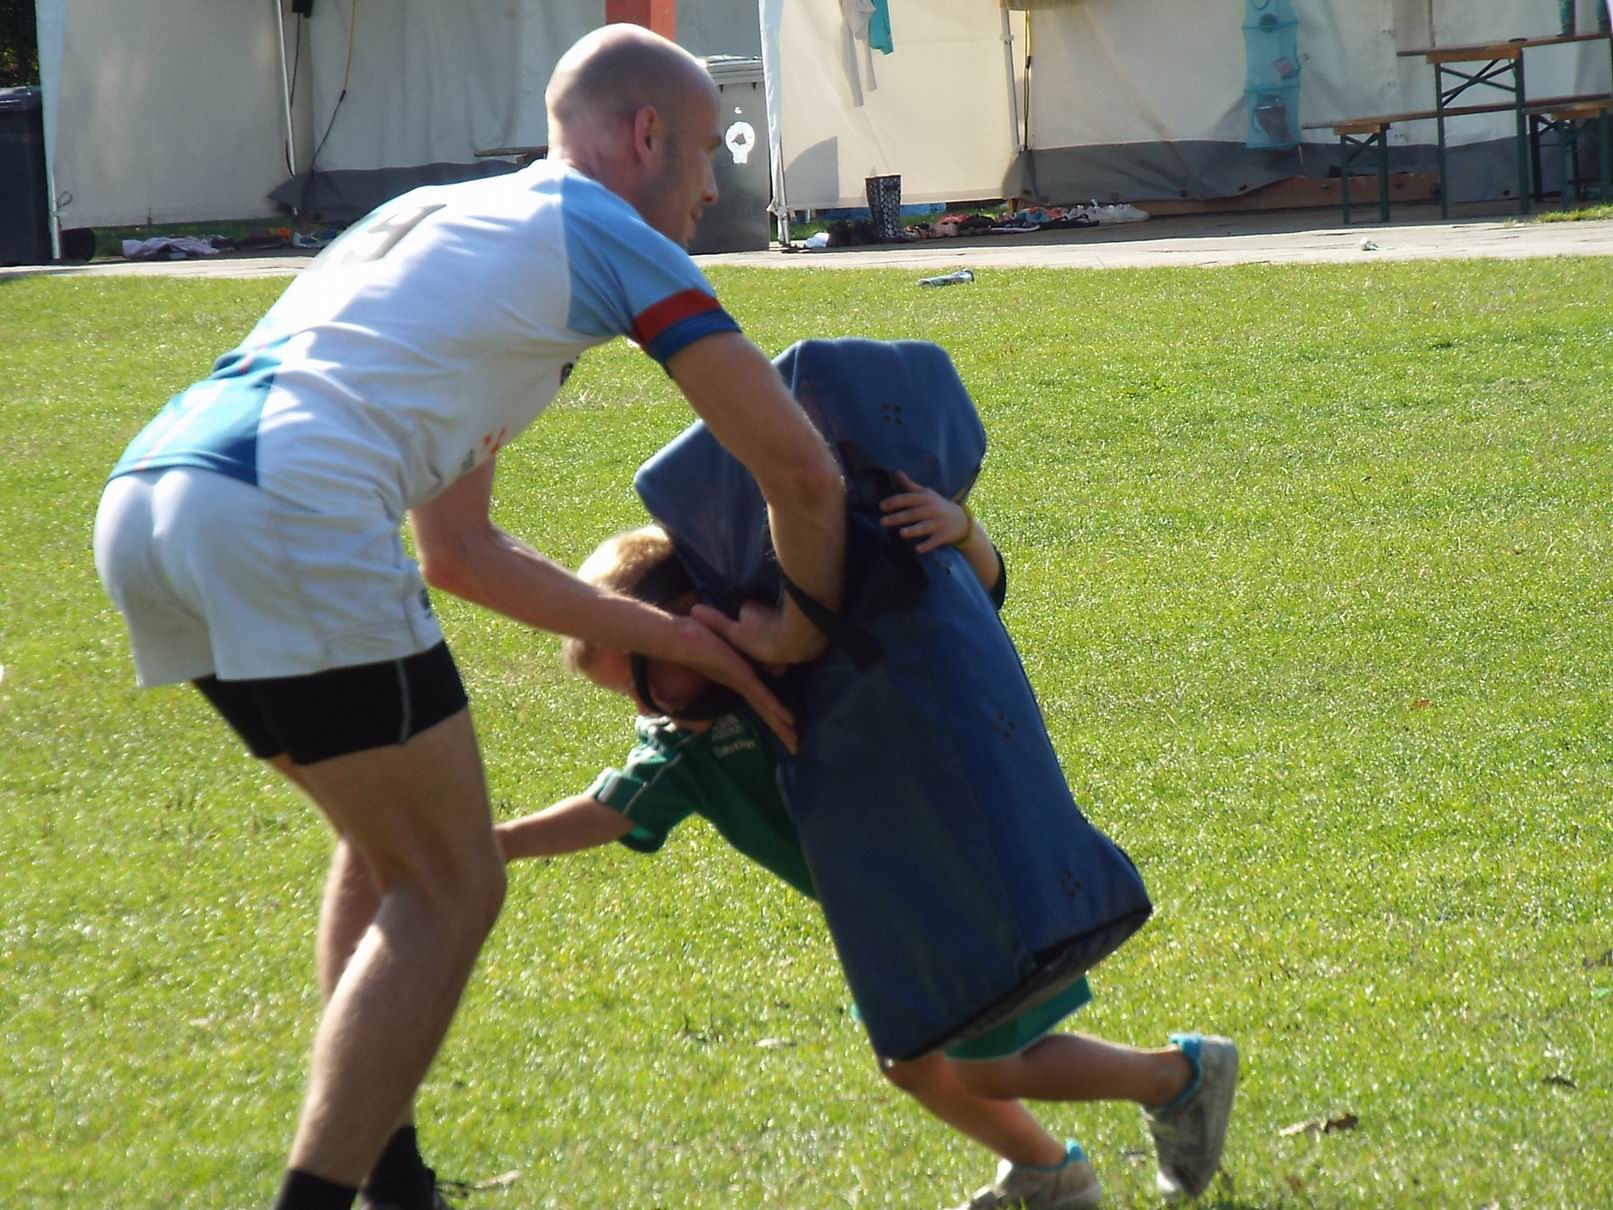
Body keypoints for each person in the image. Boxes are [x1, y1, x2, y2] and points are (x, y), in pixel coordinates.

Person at [91, 24, 845, 1210]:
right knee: (452, 885)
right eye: (707, 150)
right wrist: (796, 629)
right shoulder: (605, 231)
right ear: (645, 134)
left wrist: (682, 640)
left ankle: (394, 1184)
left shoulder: (449, 218)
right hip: (287, 500)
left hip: (153, 497)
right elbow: (798, 472)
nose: (712, 185)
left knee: (388, 847)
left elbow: (461, 551)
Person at [494, 476, 1238, 1209]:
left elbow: (961, 604)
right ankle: (1047, 1170)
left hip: (952, 880)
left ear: (692, 619)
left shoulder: (806, 654)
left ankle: (1176, 1079)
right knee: (911, 1061)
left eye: (643, 677)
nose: (643, 708)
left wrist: (963, 531)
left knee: (986, 1068)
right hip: (882, 918)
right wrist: (497, 843)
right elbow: (608, 809)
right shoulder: (682, 745)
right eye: (625, 697)